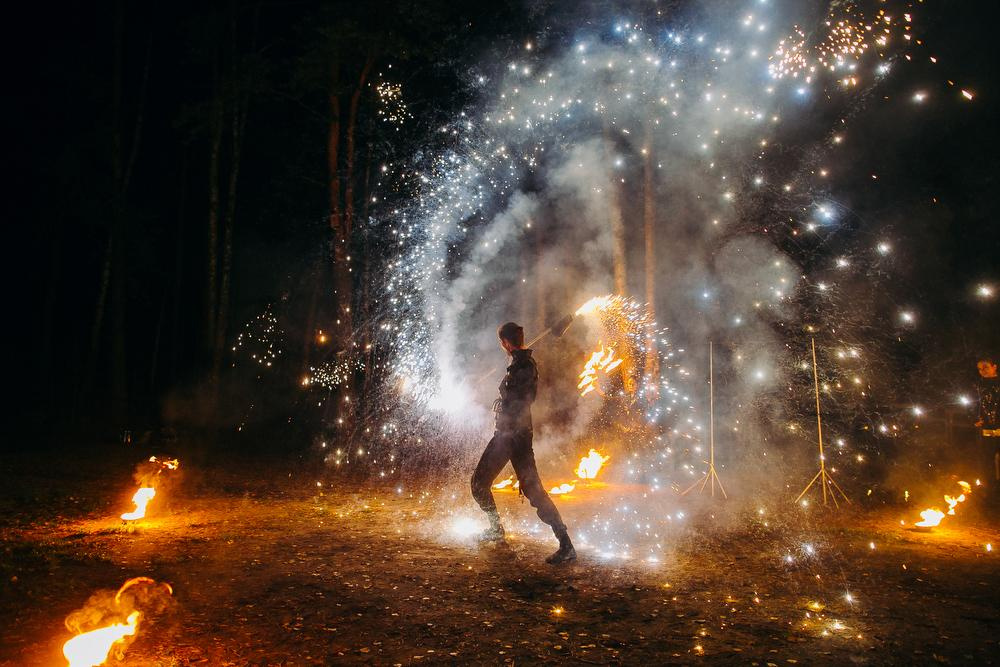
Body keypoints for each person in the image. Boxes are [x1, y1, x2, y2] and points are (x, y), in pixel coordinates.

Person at [470, 322, 576, 564]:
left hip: (510, 436)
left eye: (502, 343)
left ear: (505, 343)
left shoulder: (524, 365)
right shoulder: (519, 363)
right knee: (532, 490)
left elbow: (524, 399)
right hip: (516, 435)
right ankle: (565, 545)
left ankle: (499, 531)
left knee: (479, 484)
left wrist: (505, 400)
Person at [975, 358, 999, 487]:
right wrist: (975, 418)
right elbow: (974, 405)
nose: (982, 371)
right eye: (979, 369)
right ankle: (990, 491)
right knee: (987, 463)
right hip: (986, 432)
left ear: (994, 366)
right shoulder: (978, 385)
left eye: (985, 367)